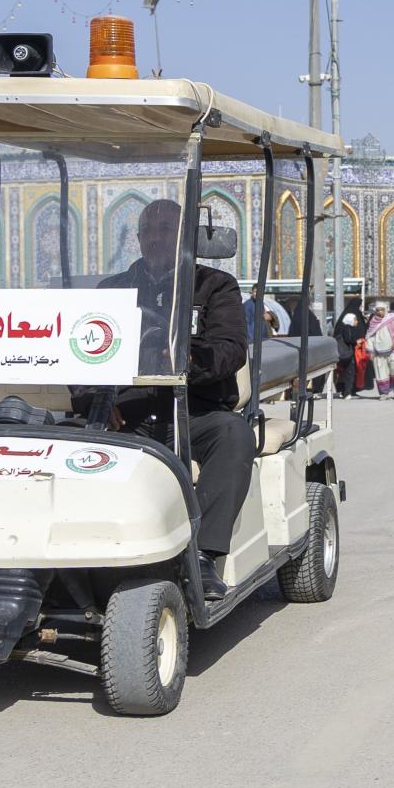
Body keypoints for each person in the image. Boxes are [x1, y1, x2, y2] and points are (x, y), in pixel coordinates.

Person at [99, 198, 250, 600]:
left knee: (234, 435)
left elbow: (231, 349)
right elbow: (84, 351)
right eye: (148, 231)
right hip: (129, 417)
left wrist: (187, 359)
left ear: (185, 237)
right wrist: (97, 401)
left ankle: (202, 555)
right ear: (137, 238)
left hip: (194, 413)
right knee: (60, 438)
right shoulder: (113, 289)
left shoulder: (214, 286)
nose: (155, 238)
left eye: (166, 230)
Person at [365, 300, 394, 400]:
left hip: (393, 349)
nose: (379, 312)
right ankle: (384, 393)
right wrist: (370, 351)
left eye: (382, 310)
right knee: (381, 372)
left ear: (386, 310)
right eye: (378, 310)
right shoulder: (373, 322)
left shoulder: (393, 318)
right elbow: (370, 336)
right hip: (378, 352)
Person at [331, 299, 365, 398]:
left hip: (342, 351)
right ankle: (348, 391)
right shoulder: (351, 320)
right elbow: (349, 337)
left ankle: (344, 390)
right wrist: (356, 341)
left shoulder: (343, 319)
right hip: (350, 351)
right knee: (350, 370)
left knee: (344, 371)